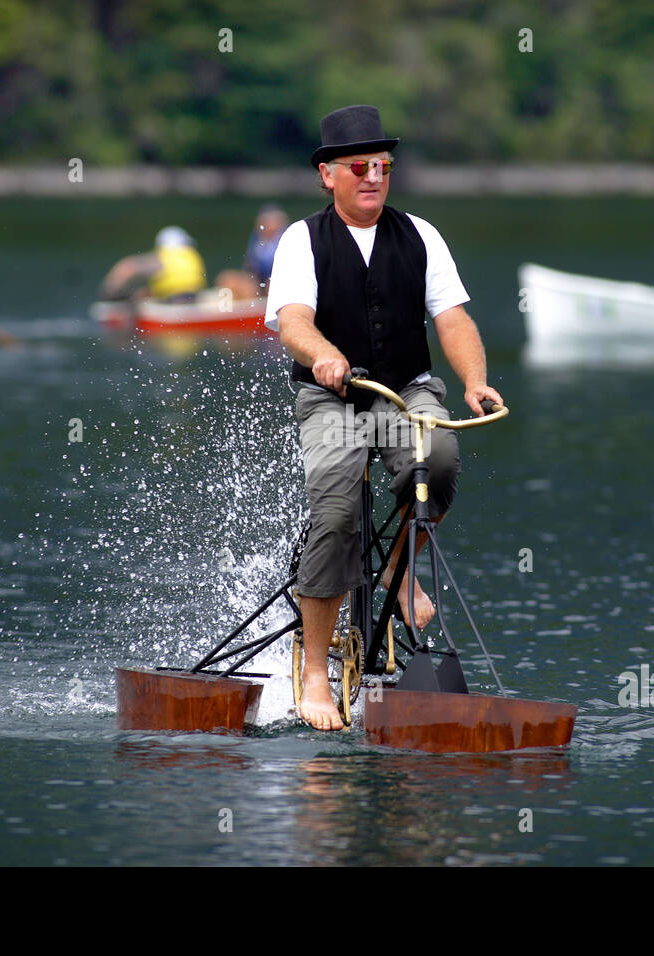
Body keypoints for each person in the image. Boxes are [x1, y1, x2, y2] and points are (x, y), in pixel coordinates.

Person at [266, 105, 502, 731]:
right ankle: (316, 675)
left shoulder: (421, 234)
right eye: (360, 166)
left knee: (440, 462)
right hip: (333, 400)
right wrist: (323, 356)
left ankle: (398, 577)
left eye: (383, 166)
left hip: (405, 393)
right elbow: (292, 321)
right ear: (327, 175)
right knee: (338, 514)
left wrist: (476, 383)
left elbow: (452, 319)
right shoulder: (301, 239)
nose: (373, 176)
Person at [98, 226, 207, 302]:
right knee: (145, 293)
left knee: (138, 297)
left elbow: (128, 266)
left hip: (172, 301)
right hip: (194, 298)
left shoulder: (160, 258)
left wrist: (110, 290)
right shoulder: (192, 255)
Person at [216, 205, 290, 300]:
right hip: (257, 281)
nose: (267, 225)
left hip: (278, 281)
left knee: (273, 284)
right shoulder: (256, 239)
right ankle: (231, 311)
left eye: (271, 221)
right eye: (264, 221)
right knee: (227, 279)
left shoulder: (288, 239)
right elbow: (250, 268)